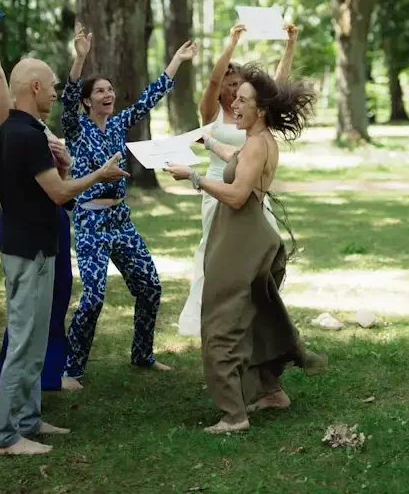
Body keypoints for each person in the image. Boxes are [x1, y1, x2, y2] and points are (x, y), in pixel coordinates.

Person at [164, 63, 326, 433]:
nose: (234, 103)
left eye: (242, 99)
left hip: (242, 239)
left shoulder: (258, 145)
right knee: (256, 320)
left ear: (261, 110)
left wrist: (193, 177)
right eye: (234, 97)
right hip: (250, 236)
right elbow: (235, 161)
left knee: (221, 322)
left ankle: (233, 415)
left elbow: (237, 196)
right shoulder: (255, 141)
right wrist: (208, 143)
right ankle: (272, 392)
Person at [0, 53, 129, 455]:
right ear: (34, 88)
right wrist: (99, 174)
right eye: (50, 84)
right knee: (23, 341)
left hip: (35, 246)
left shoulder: (18, 131)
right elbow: (60, 195)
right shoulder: (26, 136)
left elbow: (51, 193)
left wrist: (65, 170)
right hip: (28, 250)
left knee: (35, 339)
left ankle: (29, 420)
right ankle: (3, 436)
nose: (55, 91)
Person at [60, 24, 199, 389]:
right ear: (88, 100)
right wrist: (80, 59)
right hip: (90, 221)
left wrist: (176, 61)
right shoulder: (75, 128)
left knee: (150, 287)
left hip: (120, 219)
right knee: (92, 298)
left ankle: (142, 354)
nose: (108, 94)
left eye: (110, 89)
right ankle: (72, 370)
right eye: (100, 91)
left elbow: (147, 100)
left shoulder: (119, 124)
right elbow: (68, 94)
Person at [0, 5, 73, 392]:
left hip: (54, 217)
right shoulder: (10, 123)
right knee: (28, 311)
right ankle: (10, 381)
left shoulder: (39, 124)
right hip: (25, 221)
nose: (53, 91)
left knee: (56, 299)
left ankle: (47, 378)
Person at [178, 23, 299, 336]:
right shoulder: (211, 113)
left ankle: (261, 313)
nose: (233, 89)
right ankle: (211, 315)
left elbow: (278, 88)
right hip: (219, 186)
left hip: (253, 187)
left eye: (238, 84)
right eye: (229, 84)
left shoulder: (255, 114)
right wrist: (231, 43)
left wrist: (290, 45)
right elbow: (213, 79)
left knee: (263, 252)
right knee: (215, 250)